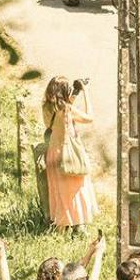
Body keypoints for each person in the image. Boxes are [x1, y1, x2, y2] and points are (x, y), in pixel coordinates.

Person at [43, 76, 97, 231]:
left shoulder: (46, 107)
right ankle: (79, 226)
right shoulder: (67, 109)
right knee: (75, 190)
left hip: (53, 154)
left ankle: (62, 225)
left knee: (60, 192)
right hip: (69, 155)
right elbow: (89, 118)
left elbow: (59, 117)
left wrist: (74, 94)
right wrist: (85, 91)